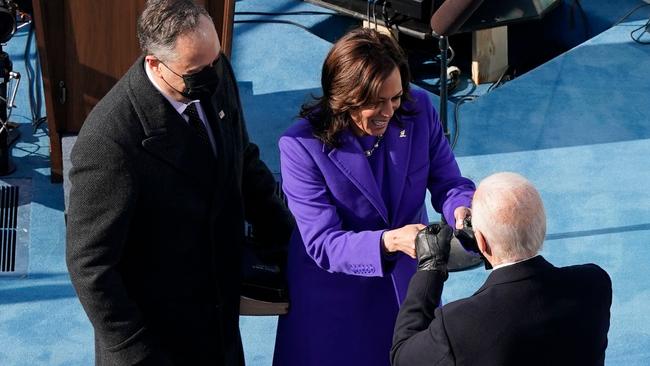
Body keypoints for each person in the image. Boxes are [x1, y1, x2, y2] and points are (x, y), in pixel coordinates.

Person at [65, 1, 294, 365]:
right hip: (158, 342)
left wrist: (289, 241)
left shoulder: (210, 69)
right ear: (154, 63)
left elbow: (242, 159)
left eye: (214, 61)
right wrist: (136, 351)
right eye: (197, 71)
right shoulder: (110, 140)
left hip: (217, 321)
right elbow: (90, 265)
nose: (213, 77)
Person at [272, 28, 476, 366]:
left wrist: (462, 209)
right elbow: (324, 242)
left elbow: (448, 180)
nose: (388, 112)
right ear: (343, 97)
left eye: (395, 98)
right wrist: (390, 241)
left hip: (409, 290)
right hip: (335, 302)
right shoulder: (300, 147)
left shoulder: (419, 109)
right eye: (374, 103)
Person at [391, 172, 612, 366]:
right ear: (542, 228)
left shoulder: (458, 326)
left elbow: (402, 355)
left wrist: (429, 270)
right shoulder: (594, 284)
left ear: (481, 242)